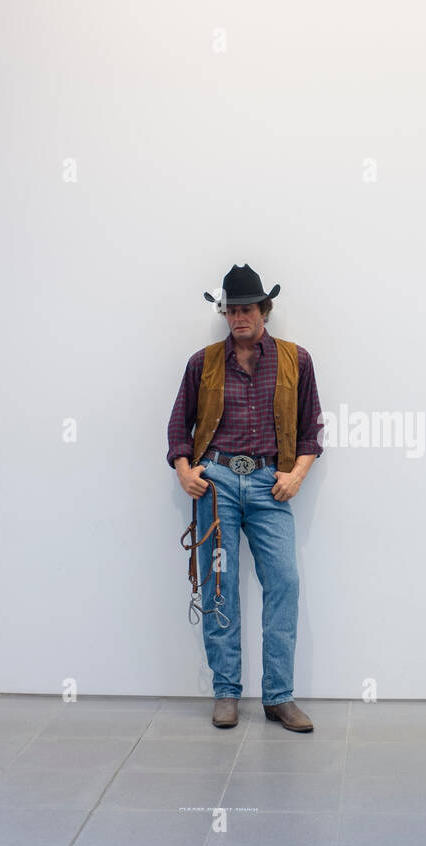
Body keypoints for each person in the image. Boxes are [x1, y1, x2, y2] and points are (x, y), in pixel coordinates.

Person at [166, 264, 323, 732]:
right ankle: (226, 693)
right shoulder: (203, 362)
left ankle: (278, 696)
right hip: (215, 484)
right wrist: (184, 471)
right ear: (225, 313)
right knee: (219, 586)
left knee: (284, 585)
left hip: (270, 483)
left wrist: (296, 475)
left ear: (264, 310)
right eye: (232, 310)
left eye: (248, 309)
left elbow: (312, 430)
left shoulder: (298, 359)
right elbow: (179, 427)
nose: (239, 317)